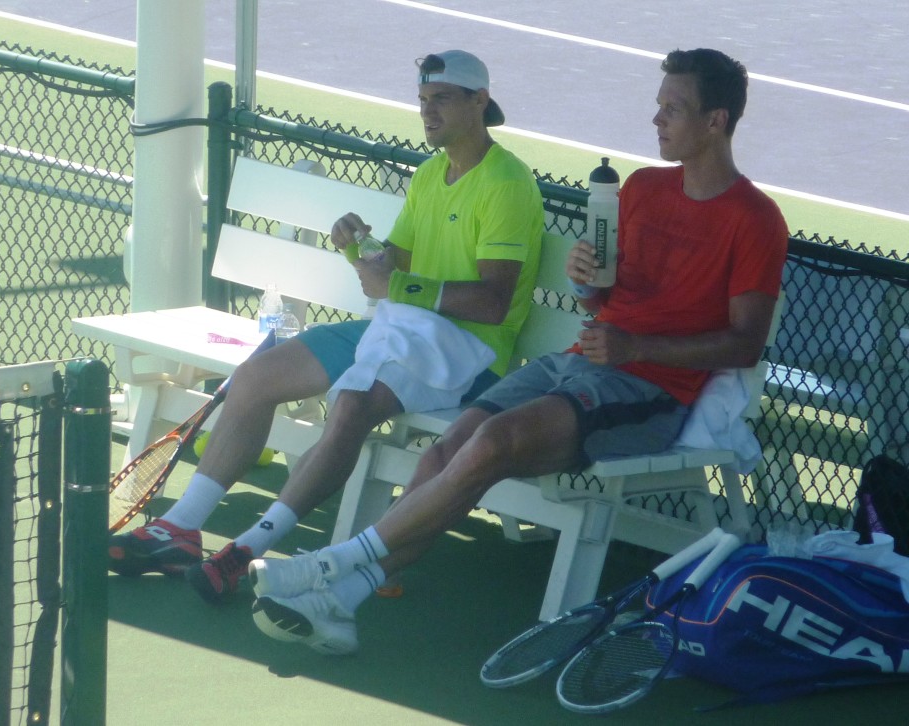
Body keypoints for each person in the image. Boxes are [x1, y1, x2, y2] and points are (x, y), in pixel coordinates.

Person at [247, 47, 790, 655]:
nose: (657, 120)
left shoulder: (757, 220)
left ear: (715, 121)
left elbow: (745, 343)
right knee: (448, 449)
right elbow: (604, 297)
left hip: (650, 391)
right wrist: (590, 280)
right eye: (659, 106)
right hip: (582, 360)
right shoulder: (641, 189)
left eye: (674, 109)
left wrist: (636, 343)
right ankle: (344, 602)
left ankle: (329, 566)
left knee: (493, 444)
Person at [108, 50, 546, 608]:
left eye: (441, 100)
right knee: (256, 376)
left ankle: (246, 550)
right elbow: (400, 265)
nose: (427, 112)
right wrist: (359, 246)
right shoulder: (432, 172)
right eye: (422, 101)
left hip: (468, 351)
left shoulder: (507, 183)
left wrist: (398, 287)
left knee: (350, 407)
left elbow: (491, 301)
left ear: (479, 101)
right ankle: (180, 530)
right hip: (402, 327)